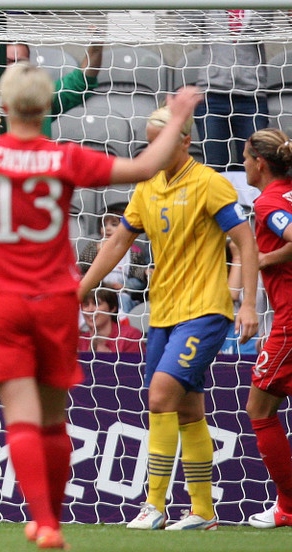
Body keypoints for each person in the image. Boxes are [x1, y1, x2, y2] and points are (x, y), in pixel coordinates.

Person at [0, 63, 204, 546]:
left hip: (2, 302)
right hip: (56, 299)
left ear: (5, 107)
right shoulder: (64, 157)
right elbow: (142, 168)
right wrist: (177, 117)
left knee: (21, 414)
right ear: (49, 105)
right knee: (55, 420)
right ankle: (49, 519)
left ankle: (45, 523)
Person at [79, 104, 259, 531]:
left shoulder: (209, 185)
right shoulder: (148, 187)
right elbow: (118, 242)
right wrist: (80, 288)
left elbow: (245, 243)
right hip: (163, 312)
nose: (152, 147)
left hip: (205, 310)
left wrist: (248, 304)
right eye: (147, 140)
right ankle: (203, 512)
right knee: (187, 411)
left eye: (159, 139)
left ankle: (154, 505)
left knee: (159, 396)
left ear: (185, 141)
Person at [238, 128, 292, 528]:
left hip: (290, 323)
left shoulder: (269, 202)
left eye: (244, 157)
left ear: (260, 162)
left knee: (259, 407)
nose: (241, 164)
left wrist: (264, 260)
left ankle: (289, 508)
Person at [0, 38, 104, 140]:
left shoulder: (40, 94)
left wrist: (96, 47)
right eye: (8, 61)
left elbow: (82, 80)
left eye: (20, 62)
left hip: (28, 178)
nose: (14, 68)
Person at [180, 10, 272, 171]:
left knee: (257, 165)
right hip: (212, 94)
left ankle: (256, 198)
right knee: (215, 166)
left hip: (251, 95)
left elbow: (263, 28)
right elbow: (185, 28)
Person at [77, 202, 150, 314]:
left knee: (123, 300)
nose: (107, 228)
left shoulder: (133, 250)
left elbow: (136, 273)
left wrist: (128, 284)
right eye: (104, 225)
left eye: (114, 224)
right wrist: (97, 250)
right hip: (97, 290)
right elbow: (83, 267)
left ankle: (121, 323)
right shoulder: (94, 246)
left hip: (120, 292)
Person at [78, 288, 144, 354]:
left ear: (112, 308)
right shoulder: (79, 340)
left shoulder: (130, 336)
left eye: (97, 304)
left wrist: (108, 354)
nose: (90, 310)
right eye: (86, 305)